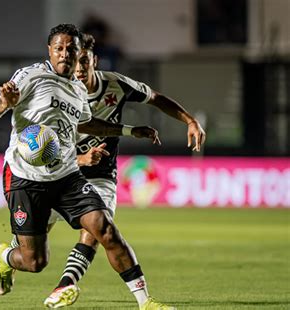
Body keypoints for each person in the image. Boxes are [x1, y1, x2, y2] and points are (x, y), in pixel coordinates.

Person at [0, 24, 174, 310]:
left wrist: (129, 131)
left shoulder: (76, 87)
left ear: (78, 52)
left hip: (66, 174)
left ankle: (146, 302)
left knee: (105, 229)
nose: (64, 54)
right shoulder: (30, 76)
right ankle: (5, 257)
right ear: (50, 50)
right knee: (35, 262)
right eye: (58, 49)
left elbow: (85, 123)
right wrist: (5, 104)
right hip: (25, 177)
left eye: (70, 49)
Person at [41, 33, 206, 308]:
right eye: (75, 61)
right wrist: (79, 158)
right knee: (31, 251)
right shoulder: (60, 91)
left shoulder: (116, 84)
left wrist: (189, 120)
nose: (79, 68)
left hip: (102, 174)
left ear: (94, 59)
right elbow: (47, 141)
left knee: (99, 229)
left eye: (85, 60)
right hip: (65, 171)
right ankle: (9, 256)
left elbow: (156, 98)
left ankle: (69, 286)